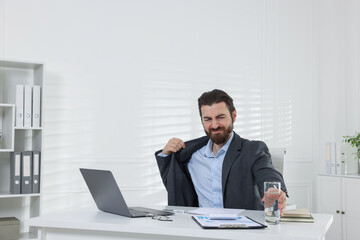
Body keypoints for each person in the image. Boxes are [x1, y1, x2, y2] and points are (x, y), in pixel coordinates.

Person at [155, 89, 288, 213]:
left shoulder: (252, 150)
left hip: (242, 229)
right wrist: (166, 154)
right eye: (207, 119)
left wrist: (273, 189)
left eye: (220, 117)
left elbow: (267, 172)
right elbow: (173, 182)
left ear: (234, 116)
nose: (214, 125)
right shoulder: (191, 155)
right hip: (199, 229)